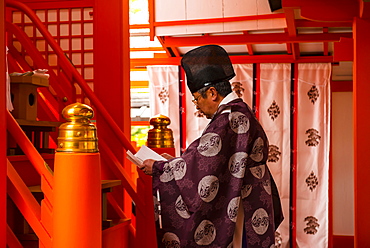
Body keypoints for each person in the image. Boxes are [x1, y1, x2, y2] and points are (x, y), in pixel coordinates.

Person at [140, 44, 283, 248]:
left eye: (197, 98)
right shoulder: (238, 113)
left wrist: (159, 167)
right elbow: (206, 157)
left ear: (213, 93)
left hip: (245, 200)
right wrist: (173, 162)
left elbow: (202, 162)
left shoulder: (229, 119)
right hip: (252, 195)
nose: (197, 105)